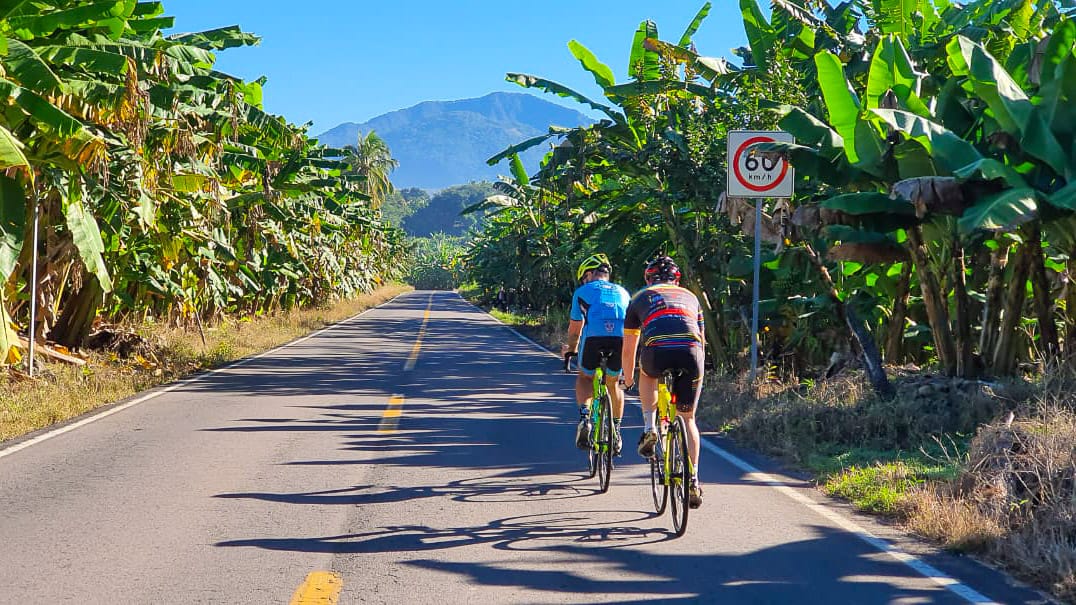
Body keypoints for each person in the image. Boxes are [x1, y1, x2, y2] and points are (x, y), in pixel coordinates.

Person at [621, 256, 706, 508]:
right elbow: (700, 339)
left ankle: (650, 427)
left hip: (657, 351)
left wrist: (627, 379)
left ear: (648, 278)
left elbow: (629, 348)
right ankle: (693, 480)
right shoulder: (691, 296)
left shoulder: (639, 298)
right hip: (692, 353)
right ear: (677, 279)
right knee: (688, 418)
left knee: (646, 373)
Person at [561, 253, 630, 456]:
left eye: (584, 277)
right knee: (614, 383)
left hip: (593, 339)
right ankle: (616, 430)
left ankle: (584, 418)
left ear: (589, 274)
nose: (583, 281)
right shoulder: (624, 292)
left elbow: (575, 330)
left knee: (584, 377)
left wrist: (571, 349)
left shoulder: (583, 291)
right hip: (620, 339)